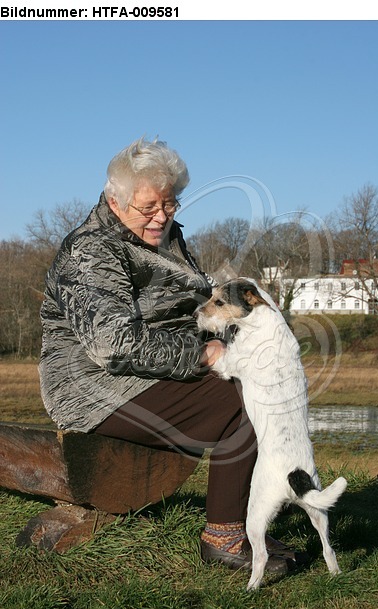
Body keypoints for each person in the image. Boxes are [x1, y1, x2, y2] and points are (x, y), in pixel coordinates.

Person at [39, 137, 303, 574]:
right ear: (114, 201)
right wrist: (203, 354)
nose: (161, 216)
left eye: (171, 204)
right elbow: (114, 345)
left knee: (262, 377)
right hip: (92, 387)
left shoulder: (165, 239)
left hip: (150, 375)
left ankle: (246, 524)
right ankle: (225, 536)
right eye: (149, 207)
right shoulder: (92, 250)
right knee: (243, 396)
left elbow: (190, 310)